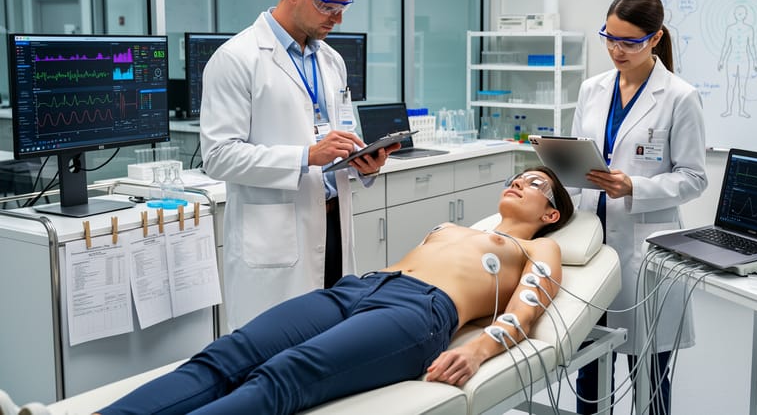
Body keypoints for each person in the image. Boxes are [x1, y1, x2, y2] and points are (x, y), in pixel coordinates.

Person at [0, 166, 574, 415]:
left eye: (536, 183)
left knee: (286, 375)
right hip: (363, 287)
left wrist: (480, 347)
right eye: (518, 176)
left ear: (550, 214)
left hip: (420, 314)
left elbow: (526, 310)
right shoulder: (455, 227)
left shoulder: (538, 250)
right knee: (229, 354)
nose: (520, 181)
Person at [199, 0, 398, 330]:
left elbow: (340, 134)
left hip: (333, 226)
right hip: (276, 239)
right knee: (275, 352)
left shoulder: (332, 60)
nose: (337, 19)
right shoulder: (236, 59)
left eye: (344, 7)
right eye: (328, 6)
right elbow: (218, 156)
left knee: (332, 340)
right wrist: (306, 155)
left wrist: (364, 164)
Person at [572, 0, 708, 415]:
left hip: (644, 253)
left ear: (654, 38)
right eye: (609, 38)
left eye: (628, 42)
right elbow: (579, 165)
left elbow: (693, 177)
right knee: (590, 370)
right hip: (590, 247)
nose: (616, 50)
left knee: (648, 373)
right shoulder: (592, 90)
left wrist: (635, 188)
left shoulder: (680, 96)